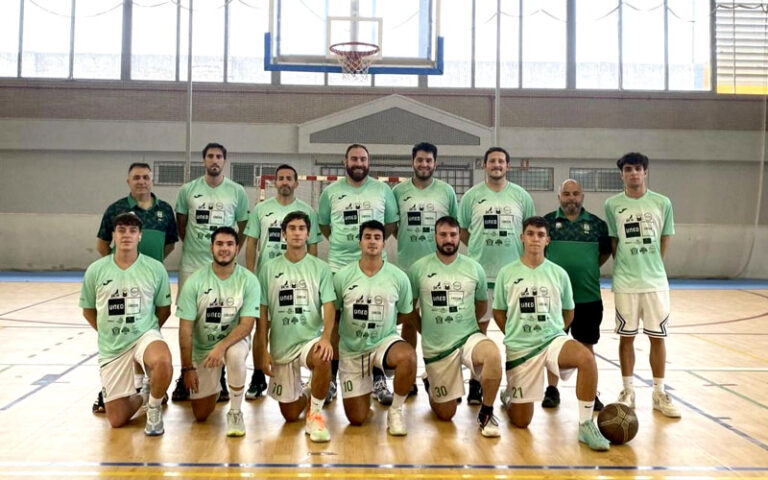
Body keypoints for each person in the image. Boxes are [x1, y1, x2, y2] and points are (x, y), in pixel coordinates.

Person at [493, 216, 610, 451]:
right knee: (521, 422)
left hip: (552, 340)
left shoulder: (559, 274)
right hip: (521, 348)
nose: (535, 239)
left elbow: (569, 312)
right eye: (530, 234)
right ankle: (509, 397)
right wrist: (516, 333)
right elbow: (498, 312)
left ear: (548, 240)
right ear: (522, 237)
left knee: (586, 358)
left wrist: (555, 332)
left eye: (540, 235)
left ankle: (586, 424)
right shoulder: (506, 273)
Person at [92, 162, 177, 414]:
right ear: (128, 181)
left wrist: (151, 266)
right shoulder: (116, 209)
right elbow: (101, 244)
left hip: (150, 283)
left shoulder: (164, 210)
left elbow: (170, 244)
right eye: (136, 177)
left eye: (146, 177)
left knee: (149, 336)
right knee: (122, 334)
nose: (141, 181)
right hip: (123, 284)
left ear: (152, 181)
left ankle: (151, 385)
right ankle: (117, 387)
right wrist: (117, 268)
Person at [318, 144, 399, 406]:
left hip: (377, 267)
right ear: (345, 161)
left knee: (379, 317)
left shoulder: (382, 190)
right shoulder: (330, 192)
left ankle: (378, 376)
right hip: (339, 265)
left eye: (363, 159)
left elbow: (389, 224)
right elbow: (324, 225)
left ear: (369, 162)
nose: (359, 162)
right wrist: (347, 247)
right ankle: (331, 377)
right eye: (354, 158)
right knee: (335, 321)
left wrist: (371, 247)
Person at [79, 212, 173, 436]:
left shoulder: (155, 268)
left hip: (144, 335)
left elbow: (164, 309)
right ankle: (143, 395)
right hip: (113, 346)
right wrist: (107, 333)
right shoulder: (96, 270)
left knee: (162, 360)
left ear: (140, 236)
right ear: (113, 235)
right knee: (117, 419)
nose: (127, 235)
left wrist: (148, 331)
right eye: (121, 230)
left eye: (132, 231)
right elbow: (88, 310)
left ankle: (153, 408)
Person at [408, 216, 502, 437]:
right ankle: (430, 381)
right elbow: (410, 309)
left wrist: (468, 326)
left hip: (468, 338)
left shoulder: (474, 268)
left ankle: (487, 412)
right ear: (435, 237)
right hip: (437, 346)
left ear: (460, 236)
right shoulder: (418, 269)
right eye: (443, 235)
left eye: (452, 234)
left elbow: (481, 305)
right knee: (445, 414)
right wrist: (426, 330)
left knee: (493, 355)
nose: (448, 239)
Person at [605, 152, 680, 418]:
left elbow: (664, 239)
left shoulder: (662, 202)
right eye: (628, 169)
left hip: (655, 282)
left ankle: (659, 392)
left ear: (645, 172)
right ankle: (628, 390)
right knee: (626, 337)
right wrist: (627, 266)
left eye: (638, 168)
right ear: (622, 174)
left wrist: (652, 266)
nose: (634, 173)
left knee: (657, 337)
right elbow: (614, 242)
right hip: (626, 282)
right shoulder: (612, 204)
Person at [173, 142, 249, 402]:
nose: (214, 160)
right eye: (210, 156)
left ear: (224, 161)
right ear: (203, 160)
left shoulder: (237, 192)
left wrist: (226, 252)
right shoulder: (188, 191)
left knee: (225, 315)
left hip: (225, 268)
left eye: (218, 156)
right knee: (190, 322)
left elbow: (242, 226)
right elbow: (181, 226)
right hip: (193, 264)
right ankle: (186, 372)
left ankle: (222, 376)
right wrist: (201, 249)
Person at [458, 146, 535, 404]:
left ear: (508, 166)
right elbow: (463, 231)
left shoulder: (521, 197)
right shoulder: (471, 197)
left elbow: (529, 231)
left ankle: (516, 385)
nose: (497, 165)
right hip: (481, 277)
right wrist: (479, 252)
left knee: (514, 334)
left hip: (513, 278)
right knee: (478, 334)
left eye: (501, 161)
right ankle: (475, 385)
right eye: (492, 161)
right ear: (485, 165)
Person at [244, 164, 321, 400]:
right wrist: (251, 276)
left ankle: (308, 374)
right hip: (268, 276)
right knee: (261, 326)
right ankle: (258, 376)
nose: (285, 182)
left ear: (297, 183)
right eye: (281, 178)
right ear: (274, 182)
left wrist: (311, 277)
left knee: (300, 321)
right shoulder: (261, 210)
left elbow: (314, 246)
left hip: (297, 279)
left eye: (289, 178)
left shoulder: (307, 211)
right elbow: (251, 243)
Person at [333, 220, 417, 435]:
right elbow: (335, 315)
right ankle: (365, 386)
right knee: (357, 419)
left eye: (377, 238)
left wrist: (384, 324)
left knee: (407, 357)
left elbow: (406, 313)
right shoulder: (342, 277)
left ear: (383, 243)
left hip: (383, 342)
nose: (372, 242)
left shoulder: (398, 277)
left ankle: (396, 411)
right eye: (368, 237)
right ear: (359, 242)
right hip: (353, 350)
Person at [257, 211, 335, 443]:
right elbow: (262, 313)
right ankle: (312, 392)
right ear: (283, 234)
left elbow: (329, 306)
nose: (297, 233)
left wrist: (326, 338)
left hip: (309, 340)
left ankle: (316, 414)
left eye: (302, 228)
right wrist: (262, 349)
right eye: (292, 228)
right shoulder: (268, 269)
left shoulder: (320, 268)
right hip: (281, 344)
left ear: (308, 234)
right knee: (290, 414)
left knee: (322, 357)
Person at [176, 226, 258, 437]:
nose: (224, 249)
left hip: (232, 342)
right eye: (219, 244)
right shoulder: (195, 281)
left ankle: (235, 412)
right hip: (203, 349)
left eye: (230, 244)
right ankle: (216, 383)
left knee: (236, 355)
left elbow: (247, 326)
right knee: (201, 415)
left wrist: (221, 348)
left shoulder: (248, 280)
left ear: (237, 248)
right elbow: (185, 329)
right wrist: (187, 368)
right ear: (211, 247)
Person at [392, 142, 458, 396]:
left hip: (440, 267)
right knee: (409, 321)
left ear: (435, 163)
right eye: (420, 160)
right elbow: (395, 226)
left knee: (438, 319)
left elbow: (451, 226)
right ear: (413, 162)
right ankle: (408, 377)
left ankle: (435, 374)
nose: (424, 164)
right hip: (409, 266)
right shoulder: (399, 191)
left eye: (429, 161)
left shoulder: (446, 191)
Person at [541, 179, 611, 410]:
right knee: (553, 345)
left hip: (587, 298)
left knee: (587, 347)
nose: (571, 198)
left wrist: (585, 268)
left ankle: (590, 393)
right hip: (554, 300)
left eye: (576, 194)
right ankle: (552, 390)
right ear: (559, 197)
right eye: (566, 194)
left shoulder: (598, 225)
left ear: (583, 196)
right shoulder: (547, 223)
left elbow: (603, 254)